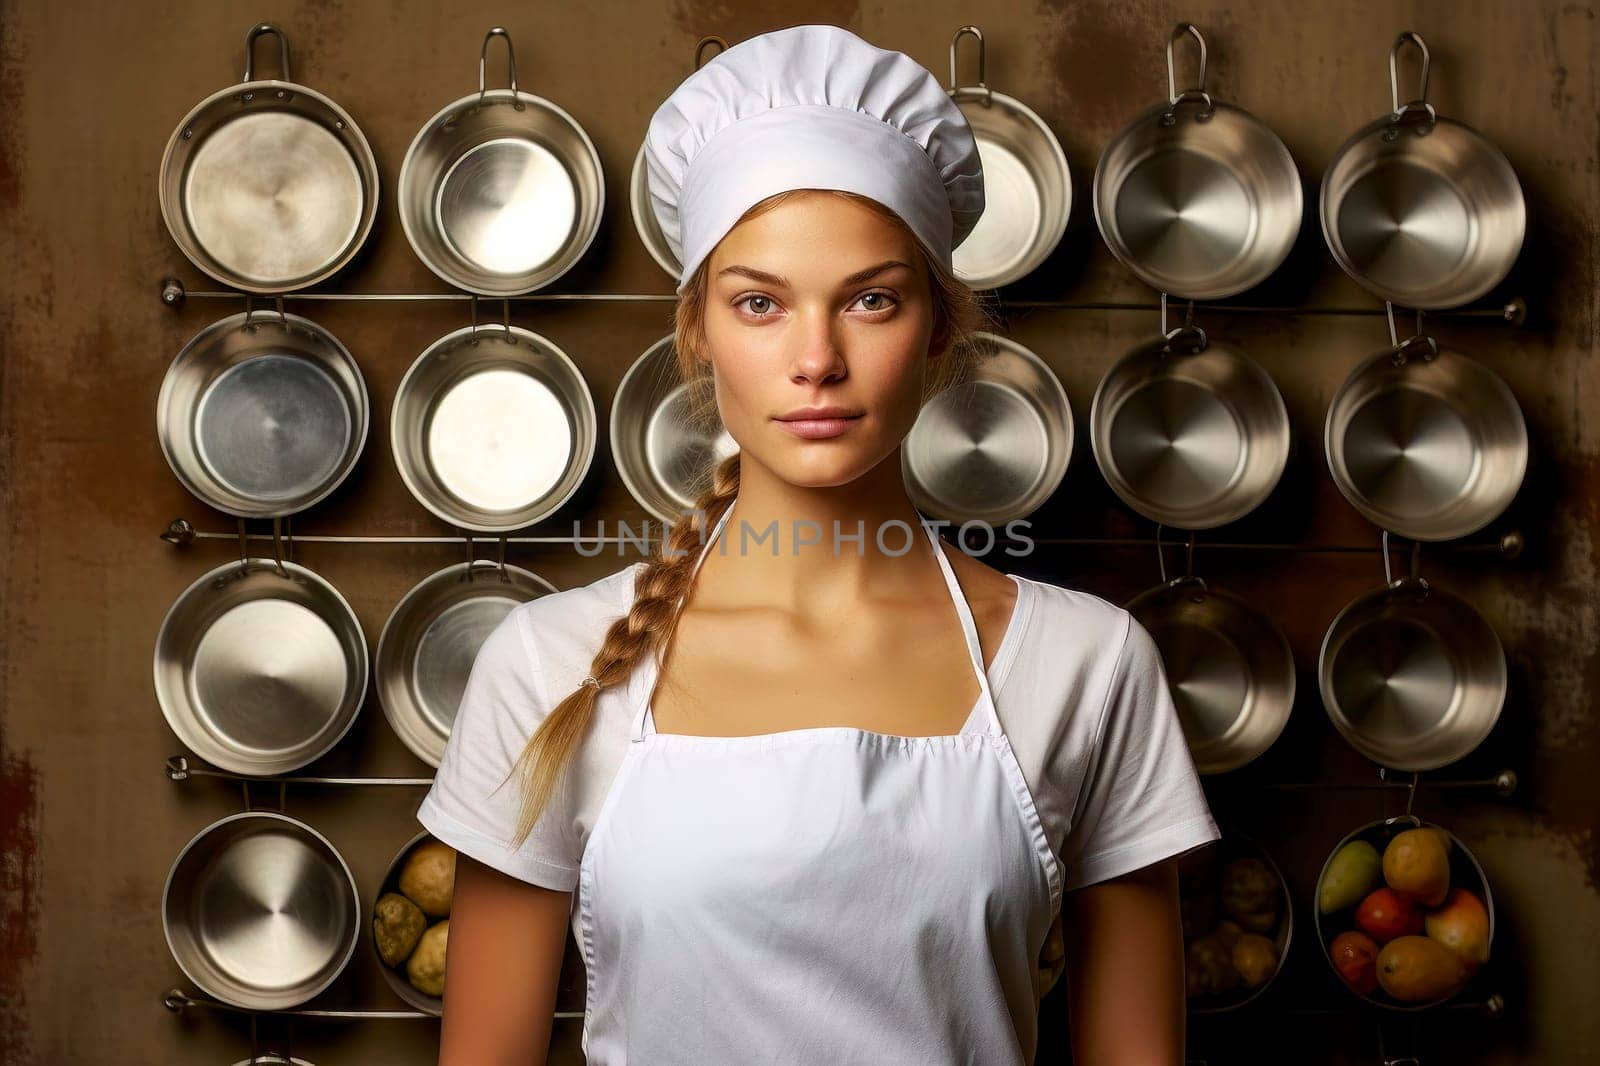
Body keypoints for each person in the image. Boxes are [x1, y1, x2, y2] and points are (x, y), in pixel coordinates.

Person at [416, 23, 1220, 1066]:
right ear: (698, 329)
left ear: (936, 325)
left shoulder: (1085, 661)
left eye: (870, 300)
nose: (815, 360)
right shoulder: (547, 661)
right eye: (759, 302)